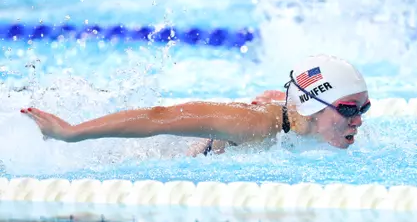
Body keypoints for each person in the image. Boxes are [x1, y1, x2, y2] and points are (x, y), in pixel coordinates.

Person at [20, 55, 371, 154]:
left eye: (363, 108)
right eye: (349, 109)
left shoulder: (306, 118)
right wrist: (71, 134)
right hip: (174, 154)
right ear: (313, 106)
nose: (358, 121)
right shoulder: (252, 124)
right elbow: (162, 118)